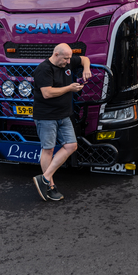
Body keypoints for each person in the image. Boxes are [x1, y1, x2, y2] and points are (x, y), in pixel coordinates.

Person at [32, 43, 91, 201]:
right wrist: (69, 88)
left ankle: (44, 178)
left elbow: (85, 59)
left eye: (70, 58)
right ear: (56, 55)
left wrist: (86, 68)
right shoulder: (44, 69)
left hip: (64, 114)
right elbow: (47, 93)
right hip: (46, 116)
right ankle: (50, 186)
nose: (68, 61)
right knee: (48, 150)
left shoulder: (67, 60)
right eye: (66, 58)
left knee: (71, 145)